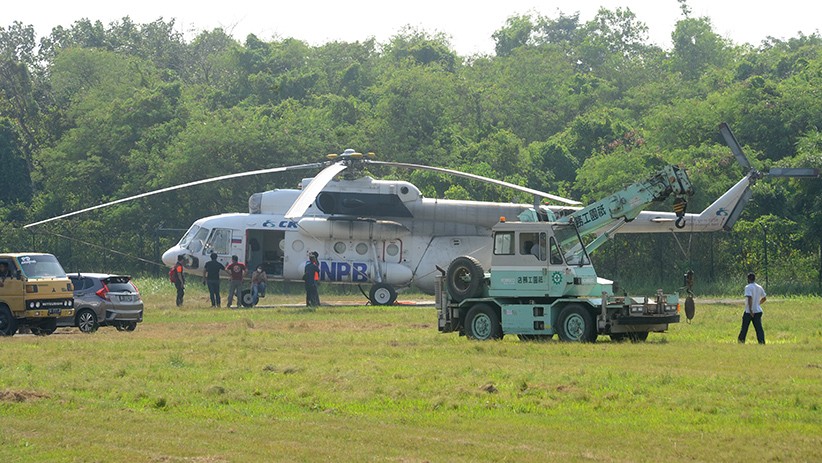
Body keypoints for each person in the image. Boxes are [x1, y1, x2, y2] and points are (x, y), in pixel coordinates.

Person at [738, 272, 767, 344]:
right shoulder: (759, 287)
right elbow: (764, 298)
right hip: (758, 310)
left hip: (749, 311)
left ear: (748, 279)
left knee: (744, 328)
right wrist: (758, 304)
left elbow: (749, 298)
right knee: (759, 328)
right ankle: (761, 342)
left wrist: (751, 310)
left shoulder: (748, 287)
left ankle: (741, 341)